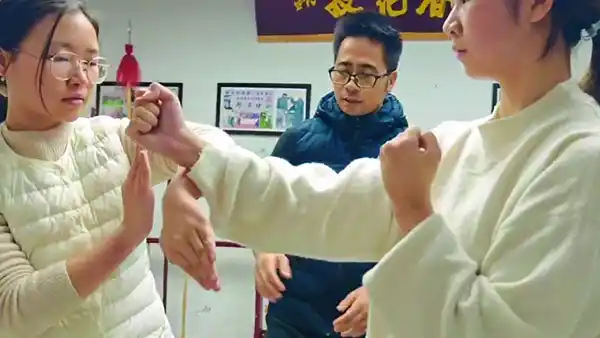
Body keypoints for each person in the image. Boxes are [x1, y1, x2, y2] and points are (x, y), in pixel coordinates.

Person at [144, 1, 600, 337]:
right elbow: (319, 201)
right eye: (344, 71)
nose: (450, 20)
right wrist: (189, 147)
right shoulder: (460, 141)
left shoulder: (580, 160)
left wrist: (414, 212)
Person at [0, 0, 230, 337]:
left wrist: (182, 191)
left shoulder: (113, 138)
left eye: (91, 62)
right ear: (4, 62)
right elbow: (12, 312)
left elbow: (220, 143)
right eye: (61, 59)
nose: (81, 78)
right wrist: (127, 237)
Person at [255, 12, 407, 338]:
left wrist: (385, 289)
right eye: (343, 71)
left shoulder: (408, 153)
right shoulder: (297, 142)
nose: (351, 86)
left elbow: (419, 239)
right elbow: (262, 208)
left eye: (365, 75)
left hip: (370, 318)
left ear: (390, 80)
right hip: (294, 314)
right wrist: (265, 250)